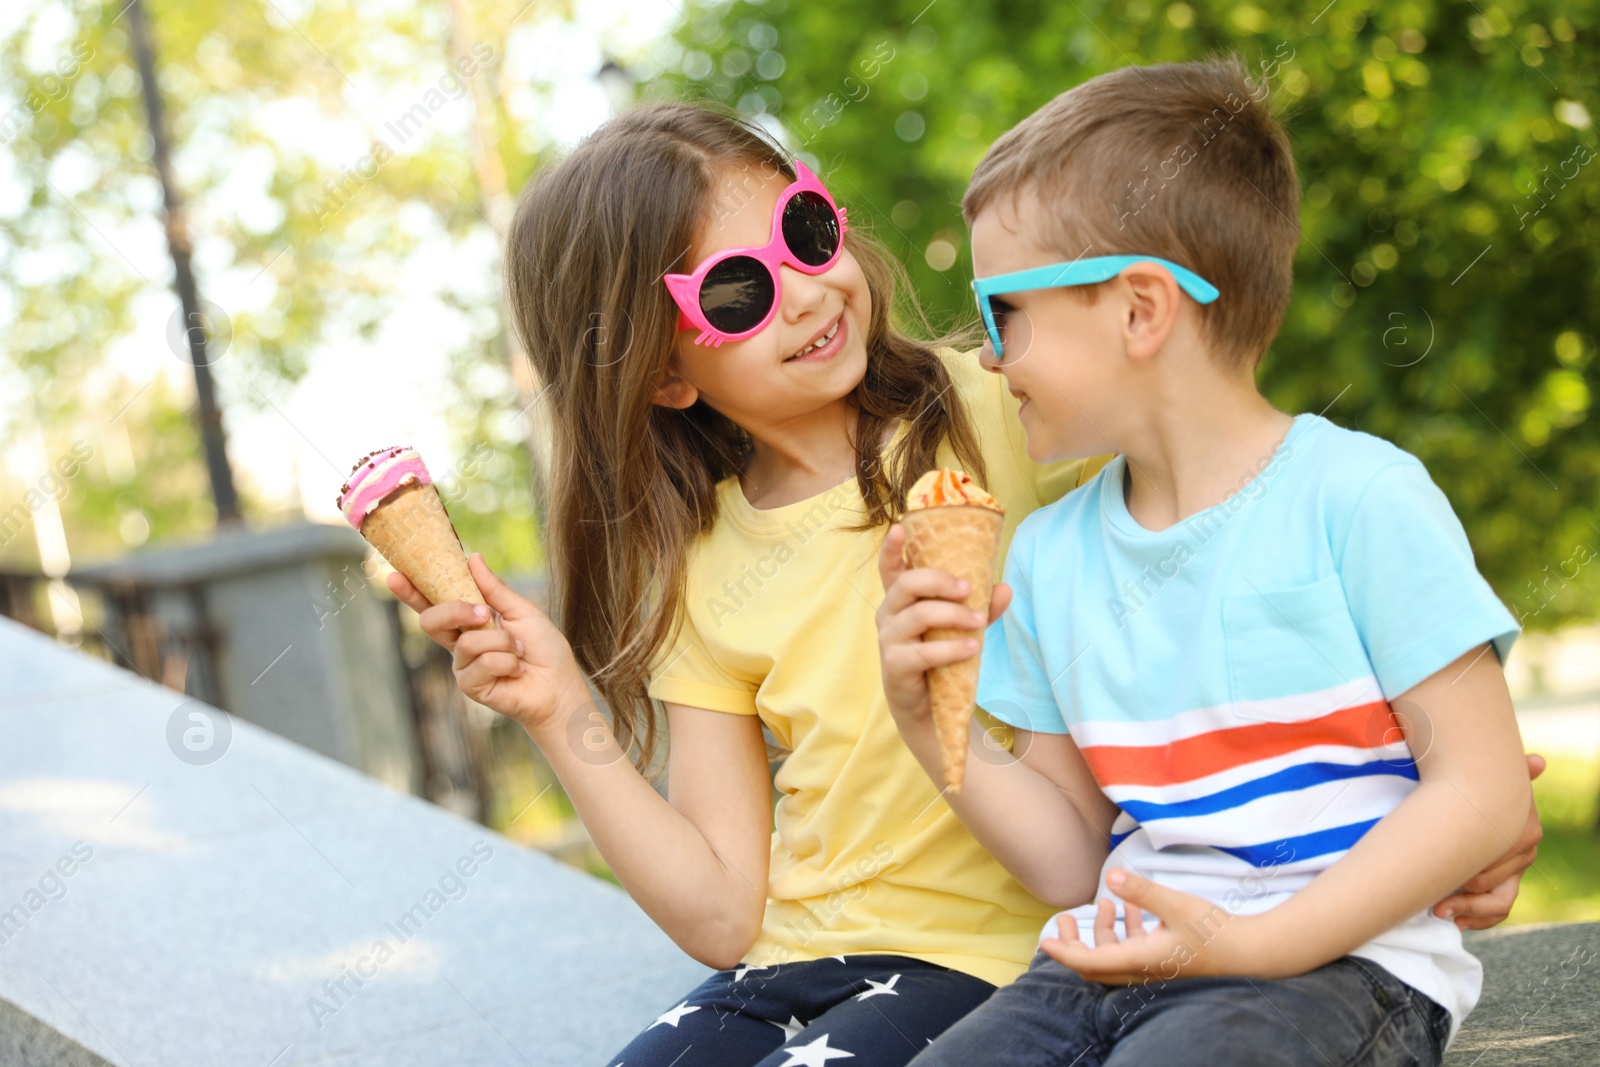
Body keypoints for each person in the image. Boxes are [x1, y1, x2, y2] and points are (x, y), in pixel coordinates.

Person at [388, 101, 1102, 1065]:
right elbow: (723, 912)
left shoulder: (998, 408)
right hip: (790, 963)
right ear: (659, 374)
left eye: (804, 233)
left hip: (988, 959)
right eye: (735, 294)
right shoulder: (701, 566)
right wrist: (558, 705)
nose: (806, 293)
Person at [875, 58, 1541, 1066]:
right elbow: (1065, 855)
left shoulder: (1357, 497)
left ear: (1142, 309)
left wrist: (1253, 941)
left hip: (1339, 962)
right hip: (1109, 955)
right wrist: (933, 724)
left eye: (1001, 308)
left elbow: (1483, 788)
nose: (989, 356)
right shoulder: (1050, 556)